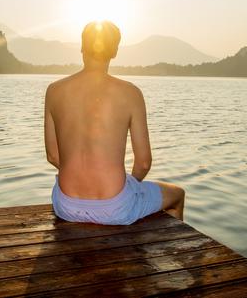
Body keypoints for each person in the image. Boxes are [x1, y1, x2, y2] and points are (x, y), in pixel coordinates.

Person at [44, 20, 185, 225]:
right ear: (115, 51)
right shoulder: (131, 93)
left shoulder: (54, 91)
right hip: (115, 208)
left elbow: (53, 155)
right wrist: (126, 189)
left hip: (66, 205)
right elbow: (144, 163)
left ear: (82, 46)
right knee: (177, 195)